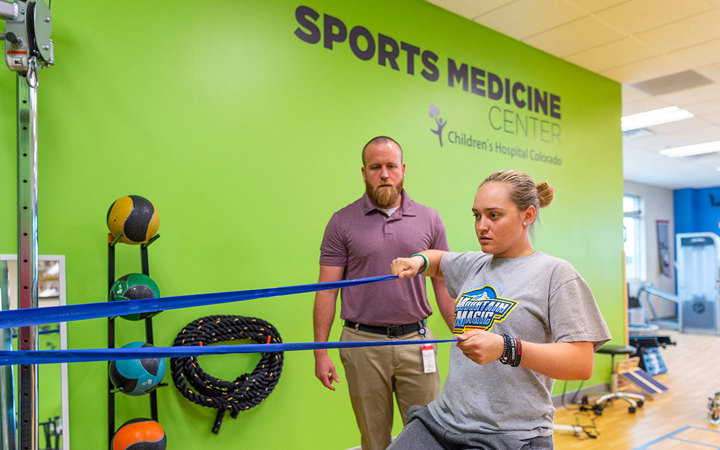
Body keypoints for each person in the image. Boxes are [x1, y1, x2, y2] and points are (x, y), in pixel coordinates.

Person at [389, 169, 612, 449]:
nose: (481, 226)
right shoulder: (476, 264)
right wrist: (418, 261)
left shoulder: (556, 273)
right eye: (476, 215)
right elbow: (438, 261)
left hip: (511, 435)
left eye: (493, 215)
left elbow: (581, 363)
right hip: (442, 422)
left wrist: (506, 347)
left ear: (527, 216)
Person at [313, 136, 455, 450]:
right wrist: (320, 352)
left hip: (417, 342)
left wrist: (464, 334)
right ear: (364, 172)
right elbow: (326, 291)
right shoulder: (341, 222)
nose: (384, 174)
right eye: (376, 167)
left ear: (403, 169)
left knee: (428, 437)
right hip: (362, 344)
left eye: (391, 166)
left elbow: (442, 282)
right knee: (374, 441)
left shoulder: (429, 219)